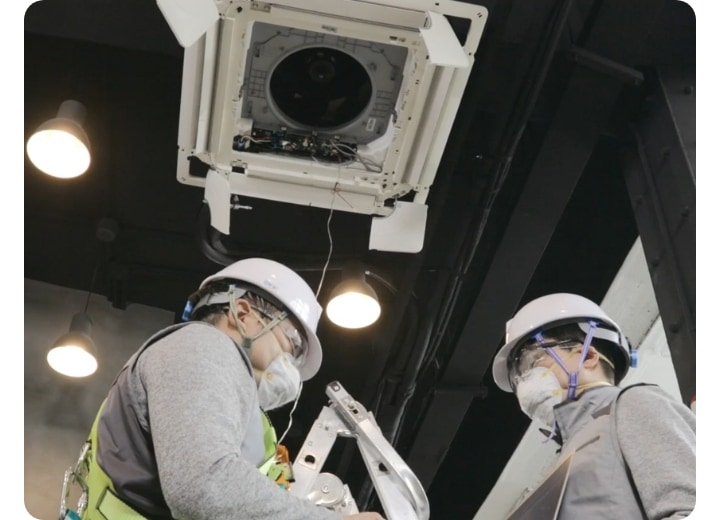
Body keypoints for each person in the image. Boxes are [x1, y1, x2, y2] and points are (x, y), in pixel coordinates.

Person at [65, 258, 385, 520]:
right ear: (243, 315)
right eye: (293, 344)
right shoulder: (201, 345)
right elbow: (202, 484)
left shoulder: (246, 416)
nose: (292, 368)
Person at [491, 292, 695, 519]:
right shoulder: (568, 456)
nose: (524, 382)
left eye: (533, 361)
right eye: (518, 375)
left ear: (587, 356)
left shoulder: (630, 406)